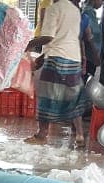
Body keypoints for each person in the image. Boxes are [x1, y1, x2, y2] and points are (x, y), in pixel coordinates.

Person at [26, 0, 85, 147]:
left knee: (47, 96)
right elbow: (67, 37)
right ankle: (80, 135)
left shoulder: (54, 9)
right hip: (73, 58)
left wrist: (28, 44)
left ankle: (41, 135)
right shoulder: (75, 10)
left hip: (57, 58)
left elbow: (49, 37)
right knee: (73, 97)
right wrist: (42, 58)